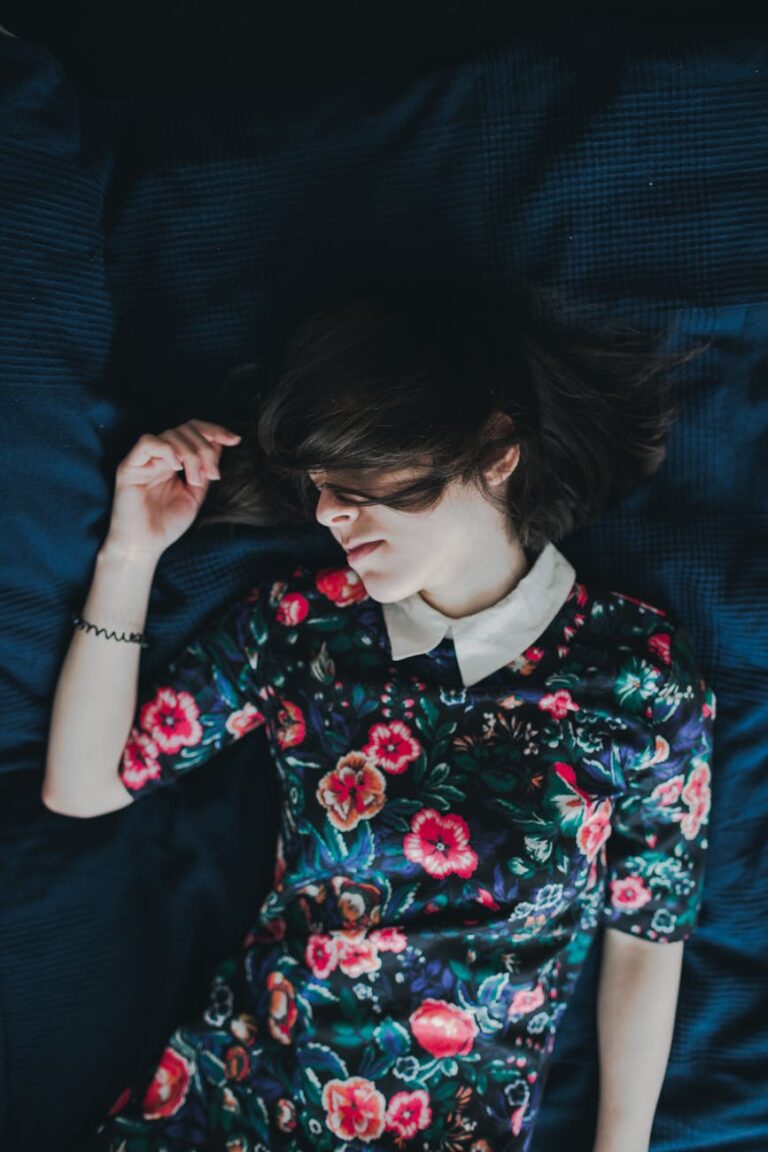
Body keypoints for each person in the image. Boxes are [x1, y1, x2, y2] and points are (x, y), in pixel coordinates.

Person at [44, 283, 717, 1151]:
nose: (327, 511)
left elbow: (647, 935)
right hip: (235, 1106)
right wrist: (131, 550)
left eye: (355, 473)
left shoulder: (638, 676)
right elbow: (84, 787)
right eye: (320, 485)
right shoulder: (305, 628)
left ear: (495, 448)